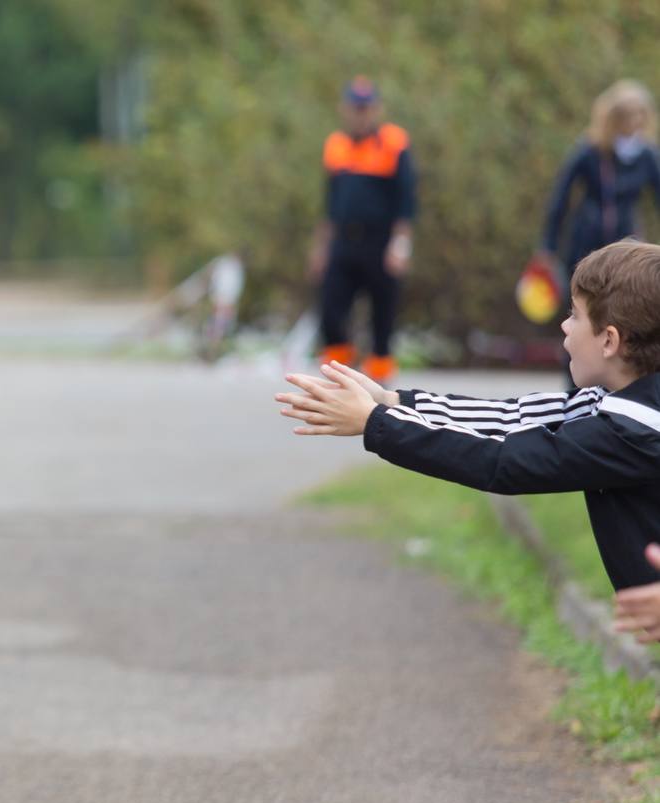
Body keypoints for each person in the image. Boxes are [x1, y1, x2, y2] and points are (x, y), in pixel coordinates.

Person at [278, 240, 660, 594]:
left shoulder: (635, 431)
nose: (564, 325)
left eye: (575, 315)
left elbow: (504, 460)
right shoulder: (614, 401)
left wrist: (376, 424)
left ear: (609, 340)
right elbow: (510, 419)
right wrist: (392, 403)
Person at [307, 76, 417, 386]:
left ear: (376, 109)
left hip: (379, 241)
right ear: (345, 109)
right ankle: (338, 378)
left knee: (382, 314)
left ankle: (380, 386)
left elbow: (406, 200)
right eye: (356, 107)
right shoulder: (336, 146)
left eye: (366, 108)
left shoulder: (394, 143)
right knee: (330, 310)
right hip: (343, 241)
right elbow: (329, 204)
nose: (361, 114)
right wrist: (320, 248)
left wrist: (400, 244)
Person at [540, 81, 660, 304]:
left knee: (623, 302)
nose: (634, 122)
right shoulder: (590, 150)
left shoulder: (647, 155)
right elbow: (560, 197)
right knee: (583, 302)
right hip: (586, 240)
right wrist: (548, 246)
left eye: (638, 115)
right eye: (627, 116)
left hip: (626, 239)